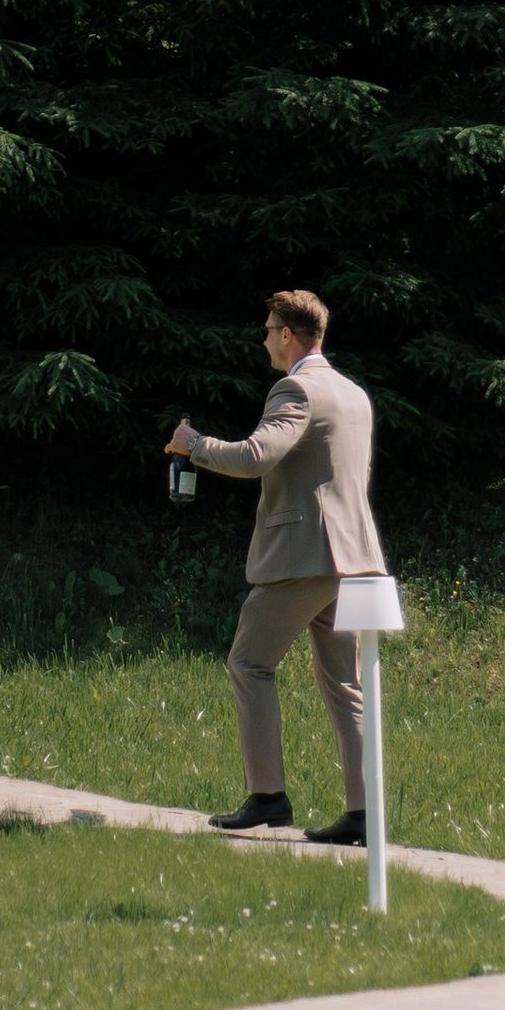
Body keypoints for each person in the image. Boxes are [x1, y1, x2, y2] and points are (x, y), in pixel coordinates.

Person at [167, 286, 385, 841]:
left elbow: (257, 455)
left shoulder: (296, 388)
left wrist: (195, 444)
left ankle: (268, 797)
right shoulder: (354, 392)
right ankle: (364, 815)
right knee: (345, 686)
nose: (264, 338)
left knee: (250, 664)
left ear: (287, 335)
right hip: (355, 558)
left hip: (302, 556)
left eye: (268, 330)